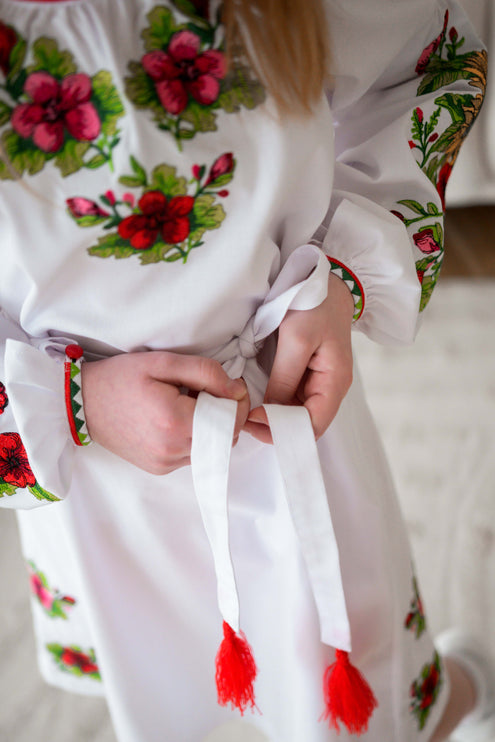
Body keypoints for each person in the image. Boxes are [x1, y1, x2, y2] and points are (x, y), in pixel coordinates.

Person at [0, 0, 492, 740]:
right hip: (87, 462)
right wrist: (76, 404)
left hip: (281, 409)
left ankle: (436, 709)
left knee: (345, 660)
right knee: (172, 679)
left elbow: (431, 57)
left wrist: (342, 275)